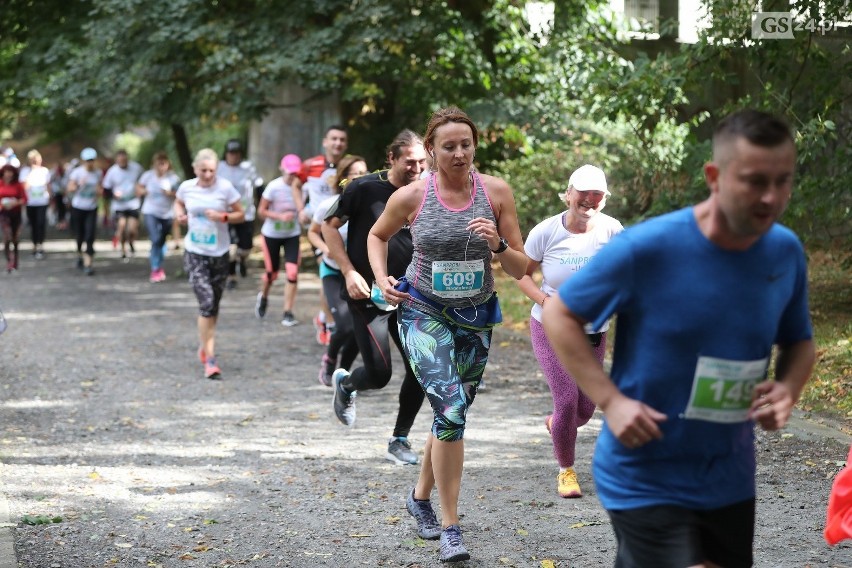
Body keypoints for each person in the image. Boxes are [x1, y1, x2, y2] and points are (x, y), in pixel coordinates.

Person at [542, 109, 816, 568]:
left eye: (782, 181)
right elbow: (559, 314)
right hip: (644, 472)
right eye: (753, 181)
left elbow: (799, 341)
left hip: (728, 475)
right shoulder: (649, 248)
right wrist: (610, 401)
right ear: (714, 176)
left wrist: (788, 388)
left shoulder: (783, 251)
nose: (770, 197)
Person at [368, 107, 527, 563]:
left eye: (466, 145)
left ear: (475, 146)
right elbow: (377, 237)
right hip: (422, 310)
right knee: (452, 407)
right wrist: (381, 277)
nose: (459, 153)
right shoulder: (414, 195)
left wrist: (497, 244)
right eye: (449, 146)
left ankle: (418, 497)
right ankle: (451, 526)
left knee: (449, 417)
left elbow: (521, 267)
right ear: (432, 151)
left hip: (476, 317)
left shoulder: (496, 193)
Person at [321, 129, 427, 467]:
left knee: (421, 368)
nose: (417, 169)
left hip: (414, 295)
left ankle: (399, 439)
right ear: (392, 158)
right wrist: (349, 271)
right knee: (379, 374)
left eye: (423, 162)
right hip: (368, 294)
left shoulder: (428, 190)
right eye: (410, 162)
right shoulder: (363, 187)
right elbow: (328, 226)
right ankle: (348, 384)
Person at [517, 164, 624, 499]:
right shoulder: (546, 231)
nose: (589, 200)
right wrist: (543, 300)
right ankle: (566, 470)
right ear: (568, 193)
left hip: (593, 328)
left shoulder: (612, 231)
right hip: (551, 325)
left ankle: (557, 425)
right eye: (583, 193)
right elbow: (522, 273)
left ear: (604, 199)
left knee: (586, 407)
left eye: (597, 195)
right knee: (565, 400)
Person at [175, 148, 244, 380]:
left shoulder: (225, 188)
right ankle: (211, 358)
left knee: (214, 305)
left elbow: (241, 214)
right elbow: (178, 203)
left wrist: (223, 216)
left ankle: (205, 344)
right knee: (206, 302)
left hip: (220, 253)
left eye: (211, 170)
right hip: (195, 252)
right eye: (203, 170)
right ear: (195, 169)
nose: (207, 175)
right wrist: (180, 215)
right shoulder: (186, 187)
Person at [308, 154, 368, 385]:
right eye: (356, 173)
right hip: (333, 271)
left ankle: (342, 371)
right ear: (343, 178)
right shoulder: (329, 205)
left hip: (361, 274)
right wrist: (326, 248)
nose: (361, 177)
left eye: (365, 172)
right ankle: (330, 359)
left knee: (359, 327)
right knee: (344, 324)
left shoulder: (370, 207)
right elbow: (313, 232)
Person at [300, 125, 349, 345]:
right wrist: (300, 208)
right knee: (327, 270)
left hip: (344, 227)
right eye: (334, 139)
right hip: (320, 227)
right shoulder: (311, 165)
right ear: (325, 142)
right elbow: (293, 183)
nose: (338, 143)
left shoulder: (350, 166)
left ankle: (329, 316)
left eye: (342, 140)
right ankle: (329, 321)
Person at [254, 154, 305, 325]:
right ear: (281, 169)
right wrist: (279, 216)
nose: (292, 176)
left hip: (292, 234)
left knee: (292, 272)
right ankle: (264, 296)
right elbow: (261, 211)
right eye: (289, 172)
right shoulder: (273, 187)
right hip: (271, 235)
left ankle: (288, 312)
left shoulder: (302, 187)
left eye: (295, 173)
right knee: (272, 273)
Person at [217, 139, 262, 290]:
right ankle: (231, 276)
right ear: (226, 154)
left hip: (245, 213)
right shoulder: (219, 168)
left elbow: (259, 186)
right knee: (230, 247)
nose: (234, 156)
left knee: (246, 247)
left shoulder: (248, 168)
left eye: (236, 153)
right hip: (226, 213)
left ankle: (241, 260)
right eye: (231, 153)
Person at [137, 152, 181, 283]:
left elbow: (180, 195)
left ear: (168, 164)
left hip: (167, 213)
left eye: (164, 163)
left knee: (161, 241)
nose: (161, 166)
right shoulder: (147, 176)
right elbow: (138, 189)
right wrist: (144, 191)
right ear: (154, 164)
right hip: (150, 211)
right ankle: (155, 268)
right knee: (155, 238)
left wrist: (170, 193)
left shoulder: (173, 178)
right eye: (158, 163)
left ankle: (159, 265)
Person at [66, 148, 103, 276]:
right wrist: (78, 185)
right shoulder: (77, 173)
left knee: (90, 235)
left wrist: (99, 191)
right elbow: (69, 188)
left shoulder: (98, 173)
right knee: (80, 235)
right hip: (78, 207)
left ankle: (88, 264)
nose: (90, 163)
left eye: (92, 160)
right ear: (84, 161)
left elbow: (100, 189)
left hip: (92, 208)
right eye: (88, 160)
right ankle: (79, 254)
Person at [102, 149, 144, 261]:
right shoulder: (112, 171)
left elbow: (143, 181)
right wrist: (113, 195)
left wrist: (139, 189)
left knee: (132, 229)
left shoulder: (136, 168)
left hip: (133, 203)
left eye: (124, 160)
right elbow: (106, 189)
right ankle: (123, 249)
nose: (122, 162)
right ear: (116, 160)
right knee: (121, 226)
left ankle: (131, 242)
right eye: (120, 160)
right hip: (119, 205)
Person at [19, 150, 52, 260]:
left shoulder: (45, 171)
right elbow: (24, 187)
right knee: (33, 224)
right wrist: (31, 173)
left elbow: (48, 186)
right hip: (31, 202)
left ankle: (40, 245)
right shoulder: (25, 172)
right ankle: (34, 245)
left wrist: (51, 198)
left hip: (43, 201)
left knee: (41, 223)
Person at [0, 164, 27, 273]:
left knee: (15, 238)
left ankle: (15, 260)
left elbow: (24, 199)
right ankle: (9, 261)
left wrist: (15, 202)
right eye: (6, 172)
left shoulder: (18, 185)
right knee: (7, 236)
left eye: (10, 172)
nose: (8, 174)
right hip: (4, 213)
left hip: (15, 213)